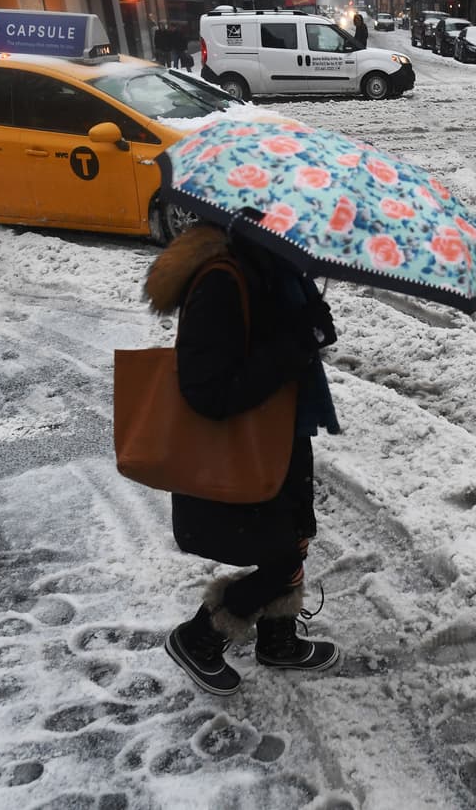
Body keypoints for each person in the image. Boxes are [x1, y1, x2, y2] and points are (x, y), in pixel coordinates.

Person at [145, 224, 341, 696]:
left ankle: (278, 640)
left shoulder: (278, 269)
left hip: (282, 435)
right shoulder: (221, 281)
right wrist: (295, 346)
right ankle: (200, 638)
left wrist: (313, 321)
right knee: (278, 554)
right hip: (238, 446)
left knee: (296, 538)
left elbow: (285, 337)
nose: (313, 238)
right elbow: (206, 391)